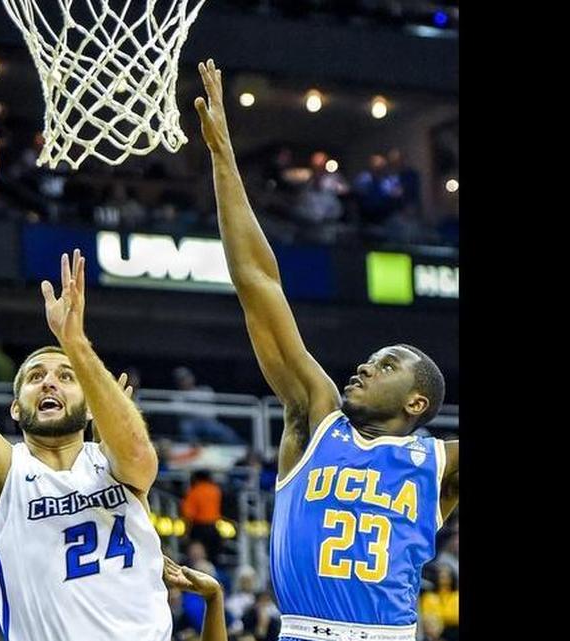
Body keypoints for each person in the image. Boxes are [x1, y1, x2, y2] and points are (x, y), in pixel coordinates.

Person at [193, 59, 460, 641]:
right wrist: (223, 160)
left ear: (418, 403)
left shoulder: (441, 463)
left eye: (387, 365)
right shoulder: (317, 417)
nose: (366, 365)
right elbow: (259, 284)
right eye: (371, 358)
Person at [0, 160, 172, 640]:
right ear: (15, 408)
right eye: (35, 376)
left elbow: (141, 455)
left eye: (65, 376)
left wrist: (75, 343)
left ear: (88, 404)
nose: (49, 383)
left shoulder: (117, 466)